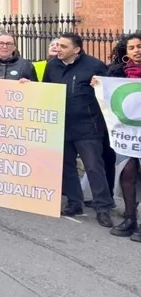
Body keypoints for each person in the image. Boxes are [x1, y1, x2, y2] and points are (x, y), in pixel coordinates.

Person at [44, 33, 113, 226]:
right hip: (61, 125)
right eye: (57, 45)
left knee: (93, 167)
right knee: (67, 167)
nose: (58, 49)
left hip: (87, 126)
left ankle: (103, 208)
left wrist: (100, 85)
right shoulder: (52, 66)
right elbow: (45, 90)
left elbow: (107, 93)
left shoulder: (95, 66)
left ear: (76, 49)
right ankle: (75, 203)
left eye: (63, 46)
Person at [99, 32, 141, 241]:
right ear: (125, 52)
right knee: (127, 173)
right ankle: (129, 217)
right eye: (132, 48)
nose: (137, 51)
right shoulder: (117, 73)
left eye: (139, 46)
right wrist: (98, 87)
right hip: (127, 135)